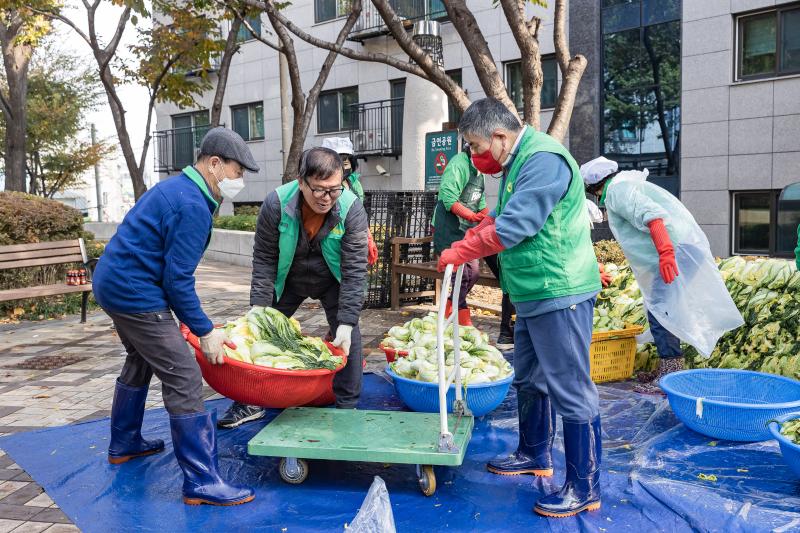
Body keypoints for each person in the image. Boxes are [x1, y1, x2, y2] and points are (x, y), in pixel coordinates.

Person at [437, 98, 603, 518]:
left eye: (475, 146)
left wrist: (463, 248)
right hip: (532, 291)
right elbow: (500, 214)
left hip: (557, 290)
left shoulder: (543, 160)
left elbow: (516, 225)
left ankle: (585, 484)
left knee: (570, 386)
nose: (475, 157)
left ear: (499, 136)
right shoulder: (519, 162)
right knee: (529, 377)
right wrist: (478, 227)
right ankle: (534, 452)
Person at [92, 127, 258, 506]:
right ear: (214, 164)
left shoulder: (180, 190)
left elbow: (167, 269)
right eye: (237, 171)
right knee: (183, 373)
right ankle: (201, 481)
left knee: (142, 355)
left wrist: (186, 320)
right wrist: (204, 330)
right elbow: (177, 279)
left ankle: (125, 442)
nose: (240, 181)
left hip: (115, 282)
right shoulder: (191, 205)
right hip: (134, 292)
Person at [218, 147, 369, 428]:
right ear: (302, 182)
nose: (327, 198)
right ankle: (249, 402)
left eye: (334, 190)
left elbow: (355, 270)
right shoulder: (276, 204)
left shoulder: (351, 207)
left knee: (349, 337)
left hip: (331, 278)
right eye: (319, 190)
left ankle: (347, 406)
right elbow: (264, 258)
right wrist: (259, 307)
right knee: (260, 332)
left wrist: (347, 321)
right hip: (289, 278)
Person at [581, 157, 743, 394]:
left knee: (661, 309)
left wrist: (666, 252)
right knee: (659, 307)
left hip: (673, 250)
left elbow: (653, 216)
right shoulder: (627, 185)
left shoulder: (617, 192)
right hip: (678, 248)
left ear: (593, 188)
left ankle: (671, 372)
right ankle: (668, 367)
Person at [431, 147, 516, 342]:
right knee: (465, 272)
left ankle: (453, 307)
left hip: (468, 228)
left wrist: (489, 218)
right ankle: (459, 314)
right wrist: (471, 216)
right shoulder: (459, 164)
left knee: (472, 273)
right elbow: (448, 197)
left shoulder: (481, 172)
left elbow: (481, 202)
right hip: (449, 228)